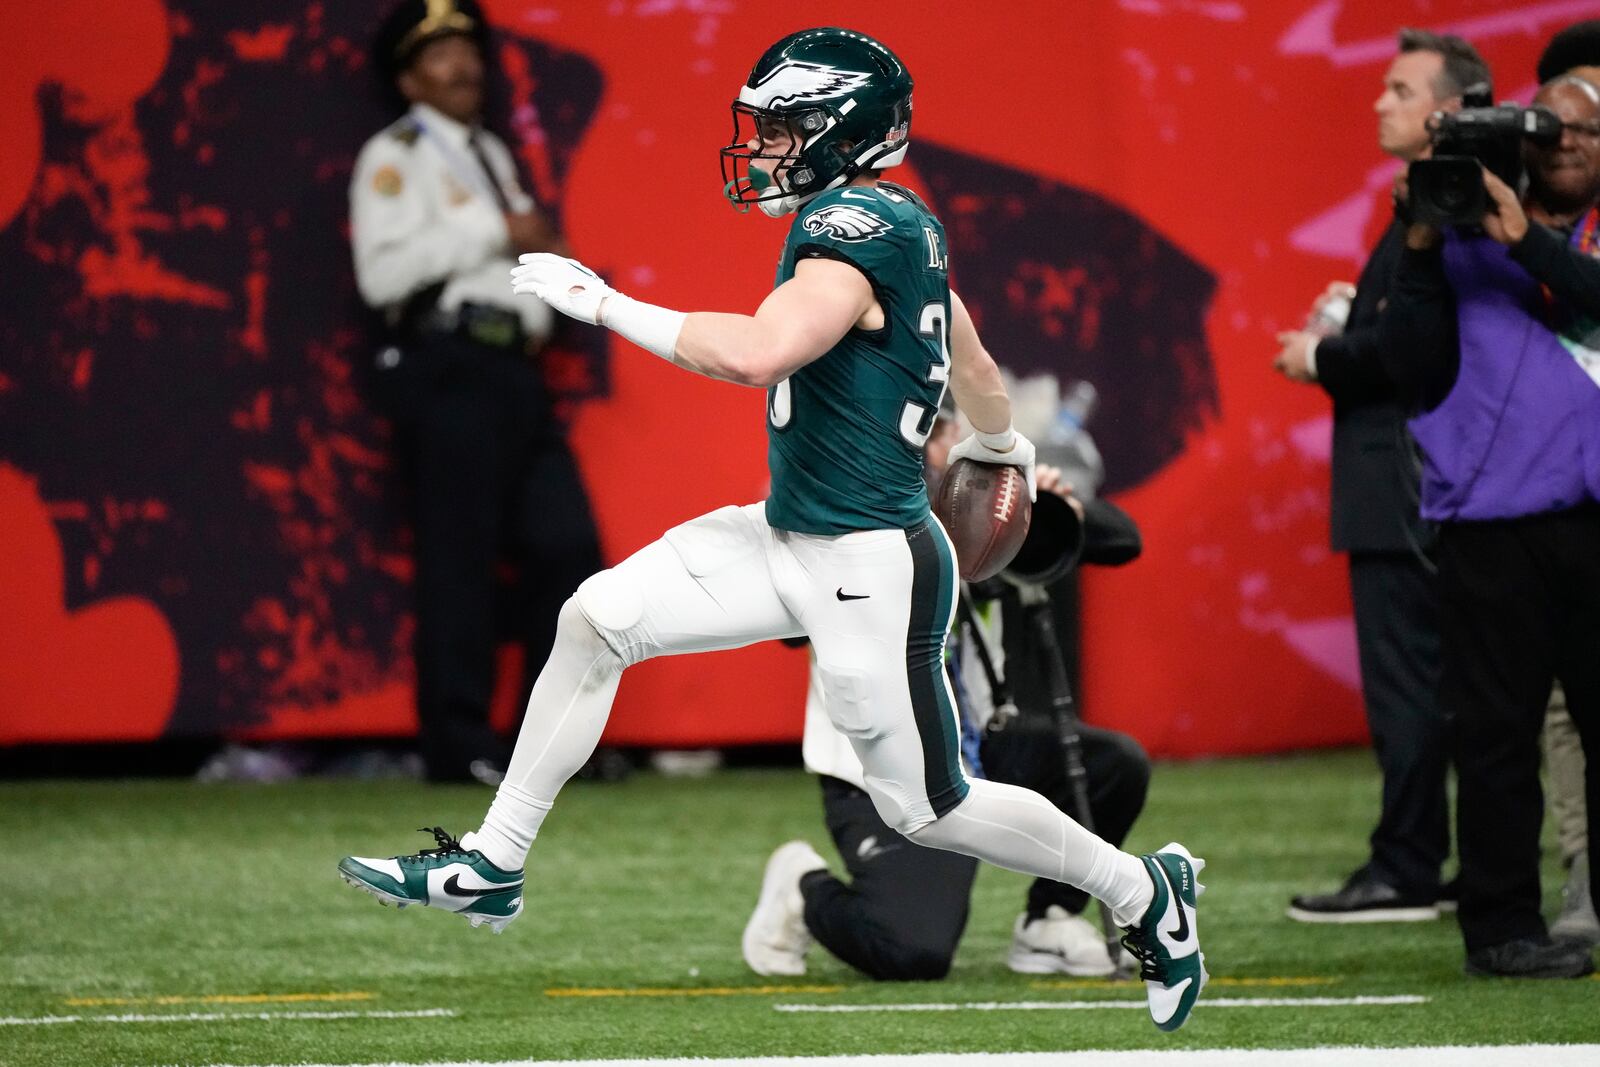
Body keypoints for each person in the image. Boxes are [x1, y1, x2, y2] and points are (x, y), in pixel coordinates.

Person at [337, 27, 1208, 1032]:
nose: (764, 148)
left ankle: (1144, 893)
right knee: (596, 617)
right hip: (792, 532)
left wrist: (606, 303)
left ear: (843, 129)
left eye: (784, 128)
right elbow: (966, 348)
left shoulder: (850, 228)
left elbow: (758, 352)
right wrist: (1003, 443)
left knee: (929, 807)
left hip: (867, 560)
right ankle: (493, 860)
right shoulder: (902, 221)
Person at [745, 418, 1151, 981]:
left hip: (980, 742)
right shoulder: (848, 516)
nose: (927, 453)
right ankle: (801, 884)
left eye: (938, 435)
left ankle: (1049, 921)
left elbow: (1124, 540)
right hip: (878, 765)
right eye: (918, 436)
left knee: (1115, 765)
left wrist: (1057, 508)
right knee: (912, 951)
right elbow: (786, 628)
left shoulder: (988, 517)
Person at [1379, 72, 1600, 978]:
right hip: (1490, 529)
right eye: (1549, 129)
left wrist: (1527, 244)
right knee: (1497, 739)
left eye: (1586, 130)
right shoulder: (1457, 234)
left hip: (1595, 523)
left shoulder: (1559, 241)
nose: (1565, 143)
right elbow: (1412, 369)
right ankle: (1502, 930)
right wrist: (1423, 243)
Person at [349, 0, 601, 783]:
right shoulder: (393, 157)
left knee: (565, 546)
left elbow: (517, 252)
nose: (463, 66)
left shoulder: (491, 150)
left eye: (467, 49)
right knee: (458, 558)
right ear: (407, 76)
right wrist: (501, 232)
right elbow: (381, 276)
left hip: (517, 369)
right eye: (441, 54)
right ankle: (459, 746)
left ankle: (546, 742)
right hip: (451, 367)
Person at [1272, 29, 1488, 925]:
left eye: (1399, 89)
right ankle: (1436, 860)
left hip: (1404, 476)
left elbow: (1411, 352)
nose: (1378, 101)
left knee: (1410, 686)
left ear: (1446, 108)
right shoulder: (1435, 203)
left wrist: (1321, 352)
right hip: (1418, 473)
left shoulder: (1446, 207)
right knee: (1438, 685)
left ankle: (1405, 865)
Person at [1535, 21, 1600, 950]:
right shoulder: (1503, 206)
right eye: (1564, 116)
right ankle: (1585, 868)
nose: (1576, 138)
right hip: (1552, 491)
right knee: (1560, 701)